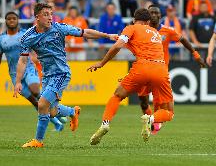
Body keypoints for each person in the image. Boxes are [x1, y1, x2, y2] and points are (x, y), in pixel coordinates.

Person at [87, 8, 205, 145]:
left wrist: (102, 63)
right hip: (161, 69)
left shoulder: (131, 28)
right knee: (169, 112)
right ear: (148, 21)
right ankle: (151, 119)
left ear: (133, 20)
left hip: (142, 68)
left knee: (117, 95)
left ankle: (105, 123)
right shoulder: (155, 32)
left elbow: (118, 46)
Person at [13, 3, 118, 148]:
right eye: (46, 14)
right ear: (37, 17)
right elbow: (23, 60)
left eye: (51, 14)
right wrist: (18, 81)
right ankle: (72, 112)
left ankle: (38, 141)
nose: (50, 17)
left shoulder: (59, 28)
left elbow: (84, 32)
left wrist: (107, 35)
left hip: (61, 73)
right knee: (52, 111)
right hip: (47, 76)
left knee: (42, 104)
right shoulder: (27, 37)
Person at [0, 11, 65, 131]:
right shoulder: (1, 39)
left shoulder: (26, 34)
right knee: (34, 102)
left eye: (14, 18)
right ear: (6, 21)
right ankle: (56, 122)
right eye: (9, 19)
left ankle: (57, 109)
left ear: (18, 20)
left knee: (36, 91)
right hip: (15, 74)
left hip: (28, 68)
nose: (12, 21)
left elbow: (37, 46)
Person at [137, 5, 207, 134]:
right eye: (150, 12)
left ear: (160, 16)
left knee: (162, 105)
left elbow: (183, 40)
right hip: (145, 69)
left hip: (160, 72)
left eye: (155, 12)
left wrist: (196, 55)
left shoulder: (167, 31)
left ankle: (152, 125)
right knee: (143, 101)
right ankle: (150, 119)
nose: (153, 15)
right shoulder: (141, 30)